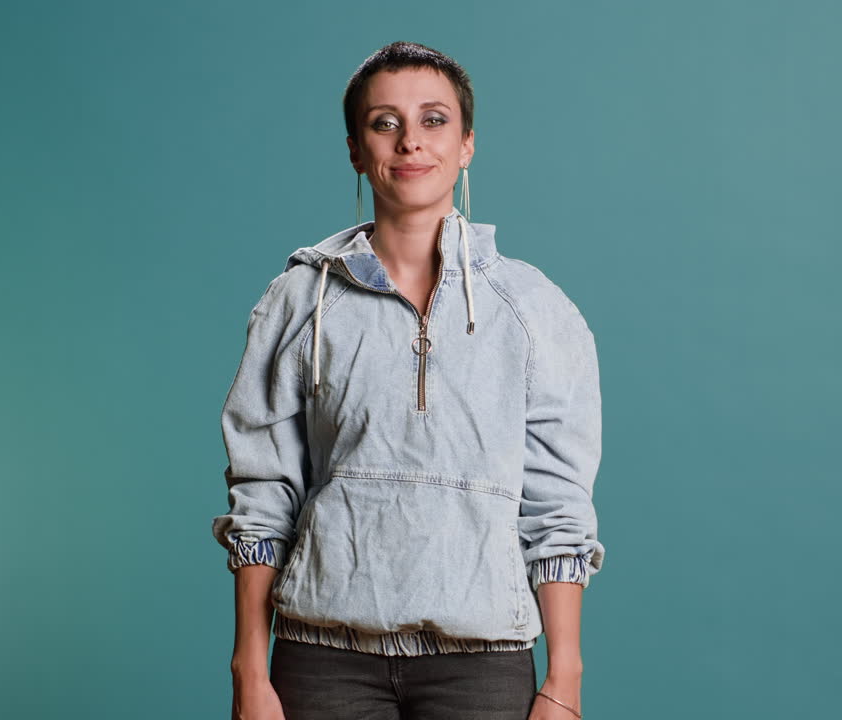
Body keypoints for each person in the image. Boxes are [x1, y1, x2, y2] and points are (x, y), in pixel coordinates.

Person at [211, 41, 605, 720]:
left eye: (433, 120)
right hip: (322, 657)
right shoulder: (299, 300)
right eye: (384, 122)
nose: (410, 142)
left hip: (482, 663)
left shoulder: (535, 310)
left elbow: (557, 506)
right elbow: (263, 489)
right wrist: (250, 665)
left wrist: (563, 681)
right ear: (356, 150)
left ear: (467, 144)